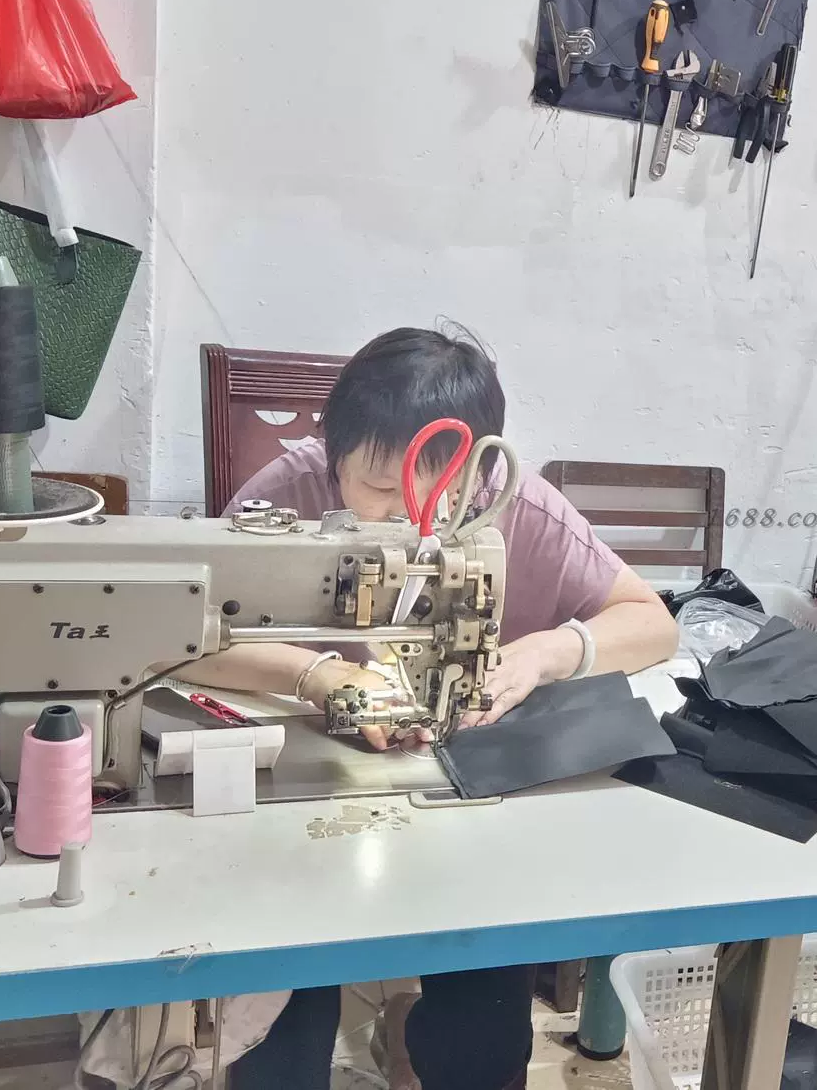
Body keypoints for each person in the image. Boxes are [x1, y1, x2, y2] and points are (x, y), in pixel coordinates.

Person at [195, 326, 679, 1090]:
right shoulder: (284, 499)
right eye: (380, 489)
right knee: (282, 1027)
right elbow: (189, 636)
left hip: (459, 793)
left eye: (440, 494)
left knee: (484, 1029)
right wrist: (316, 674)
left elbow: (653, 623)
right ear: (332, 454)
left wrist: (544, 652)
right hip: (306, 790)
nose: (411, 517)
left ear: (480, 470)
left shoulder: (518, 508)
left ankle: (426, 1039)